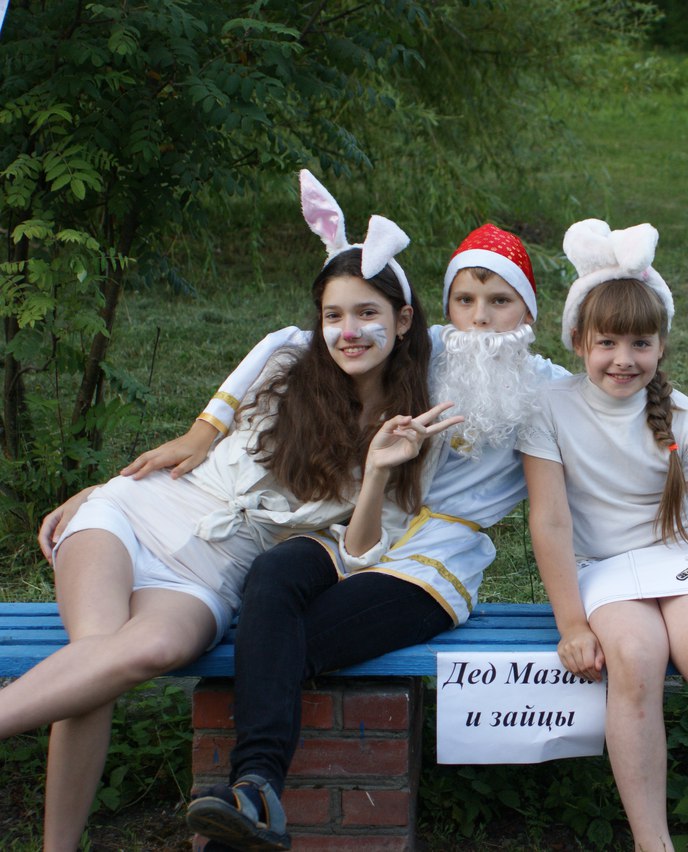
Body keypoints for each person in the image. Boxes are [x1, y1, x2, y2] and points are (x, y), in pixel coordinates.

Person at [40, 223, 688, 851]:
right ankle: (254, 789)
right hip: (353, 530)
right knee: (273, 578)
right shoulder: (418, 355)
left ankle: (253, 790)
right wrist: (177, 449)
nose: (481, 317)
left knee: (287, 636)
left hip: (433, 564)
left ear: (529, 312)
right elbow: (300, 345)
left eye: (500, 302)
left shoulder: (551, 388)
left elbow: (630, 393)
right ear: (444, 308)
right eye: (466, 300)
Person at [14, 170, 458, 852]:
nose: (348, 331)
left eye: (367, 313)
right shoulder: (285, 357)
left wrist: (375, 472)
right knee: (94, 657)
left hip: (216, 569)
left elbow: (359, 553)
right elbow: (191, 444)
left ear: (402, 321)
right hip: (139, 516)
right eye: (333, 315)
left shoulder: (415, 428)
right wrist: (99, 492)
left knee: (146, 652)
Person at [520, 219, 688, 852]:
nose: (624, 359)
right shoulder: (549, 409)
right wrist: (572, 625)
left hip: (679, 558)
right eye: (607, 342)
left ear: (661, 346)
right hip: (603, 565)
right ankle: (652, 844)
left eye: (641, 342)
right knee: (634, 659)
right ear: (578, 341)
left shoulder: (684, 417)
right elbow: (550, 521)